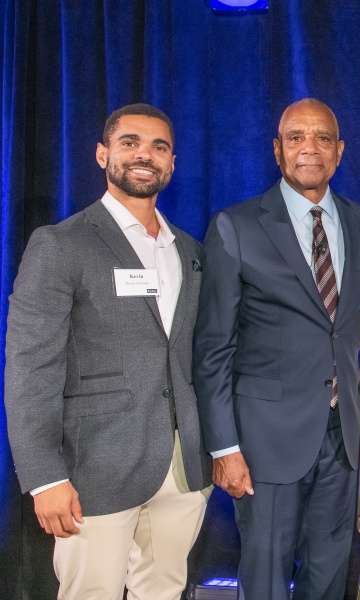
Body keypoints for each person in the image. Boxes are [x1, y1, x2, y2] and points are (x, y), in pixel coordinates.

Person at [4, 103, 211, 599]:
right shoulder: (61, 244)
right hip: (92, 469)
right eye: (130, 142)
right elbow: (31, 365)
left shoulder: (191, 250)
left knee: (162, 591)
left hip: (183, 471)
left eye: (159, 146)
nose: (145, 154)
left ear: (173, 163)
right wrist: (43, 476)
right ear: (102, 155)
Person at [194, 98, 360, 600]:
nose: (309, 149)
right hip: (264, 443)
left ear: (338, 152)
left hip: (344, 439)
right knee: (267, 579)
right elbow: (213, 346)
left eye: (322, 138)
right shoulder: (237, 226)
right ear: (278, 151)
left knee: (329, 575)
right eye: (295, 138)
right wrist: (224, 447)